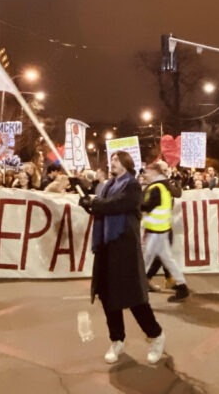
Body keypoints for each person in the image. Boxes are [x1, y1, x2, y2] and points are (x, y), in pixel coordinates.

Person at [78, 151, 166, 365]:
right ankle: (117, 339)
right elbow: (102, 206)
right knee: (108, 297)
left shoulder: (133, 186)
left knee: (133, 298)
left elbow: (117, 205)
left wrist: (95, 203)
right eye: (112, 160)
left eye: (116, 160)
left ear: (127, 164)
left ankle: (155, 335)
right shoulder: (106, 186)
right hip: (106, 248)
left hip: (124, 248)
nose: (112, 163)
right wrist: (87, 201)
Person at [141, 162, 189, 302]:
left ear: (155, 172)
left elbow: (148, 206)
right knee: (167, 259)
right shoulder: (164, 185)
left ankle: (137, 287)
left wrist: (134, 205)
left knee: (146, 259)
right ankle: (182, 287)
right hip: (160, 229)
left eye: (147, 172)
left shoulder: (157, 187)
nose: (145, 175)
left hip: (157, 230)